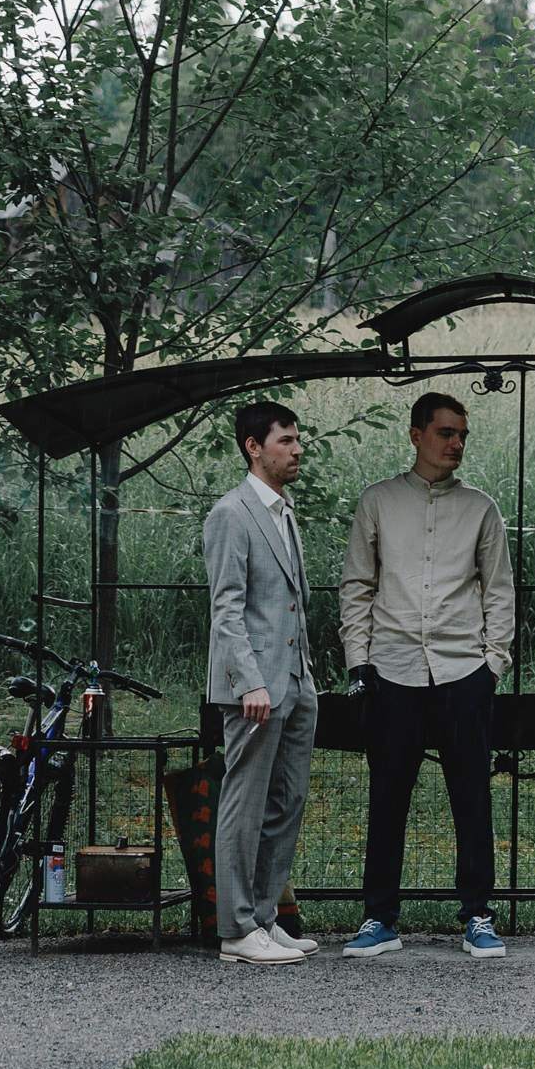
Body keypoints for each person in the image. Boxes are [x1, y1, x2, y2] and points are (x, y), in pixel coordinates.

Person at [338, 391, 516, 959]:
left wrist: (493, 664)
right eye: (445, 433)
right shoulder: (378, 501)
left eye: (462, 435)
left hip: (464, 671)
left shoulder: (481, 508)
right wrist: (359, 660)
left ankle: (478, 916)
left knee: (472, 798)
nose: (456, 444)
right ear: (416, 435)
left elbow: (500, 589)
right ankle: (379, 918)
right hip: (392, 671)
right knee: (388, 798)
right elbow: (357, 585)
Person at [203, 399, 320, 965]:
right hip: (255, 688)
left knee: (288, 800)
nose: (297, 450)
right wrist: (249, 682)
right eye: (285, 441)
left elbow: (290, 601)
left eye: (297, 440)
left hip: (295, 682)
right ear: (254, 447)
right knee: (244, 805)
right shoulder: (232, 513)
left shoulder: (283, 511)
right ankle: (235, 928)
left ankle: (265, 919)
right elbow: (226, 609)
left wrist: (305, 677)